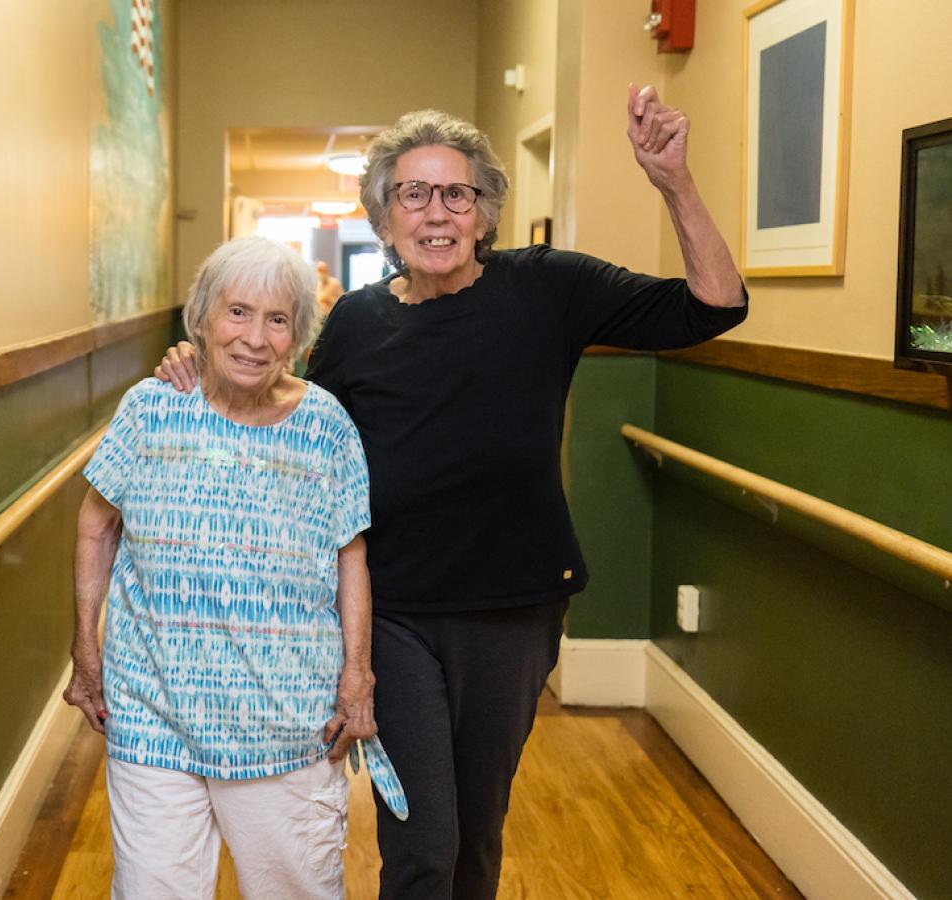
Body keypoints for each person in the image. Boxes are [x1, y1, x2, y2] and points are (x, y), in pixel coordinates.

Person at [155, 86, 747, 898]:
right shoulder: (358, 323)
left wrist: (672, 181)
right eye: (413, 194)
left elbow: (714, 306)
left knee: (475, 839)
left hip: (513, 608)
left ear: (483, 212)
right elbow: (284, 421)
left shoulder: (548, 287)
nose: (436, 213)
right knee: (423, 840)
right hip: (393, 609)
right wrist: (195, 380)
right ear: (384, 217)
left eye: (456, 194)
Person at [66, 236, 405, 899]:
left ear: (298, 336)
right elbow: (95, 522)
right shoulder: (153, 407)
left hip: (286, 721)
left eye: (277, 319)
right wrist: (85, 646)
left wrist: (356, 676)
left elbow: (350, 553)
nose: (254, 337)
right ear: (201, 320)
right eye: (237, 312)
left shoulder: (326, 426)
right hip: (152, 712)